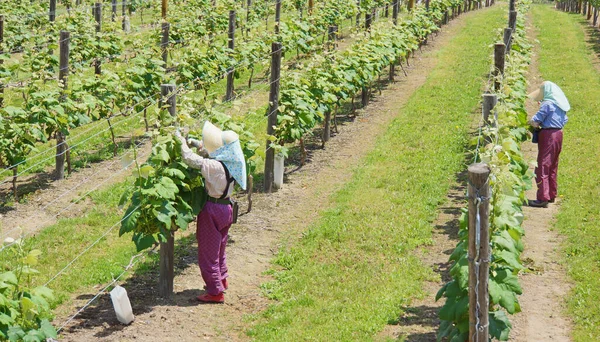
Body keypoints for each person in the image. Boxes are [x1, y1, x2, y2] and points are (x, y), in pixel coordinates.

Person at [174, 121, 247, 303]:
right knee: (220, 248)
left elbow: (190, 159)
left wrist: (180, 141)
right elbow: (208, 154)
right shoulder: (230, 165)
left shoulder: (214, 167)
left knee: (207, 253)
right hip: (226, 209)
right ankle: (222, 279)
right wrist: (196, 142)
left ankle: (215, 292)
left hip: (212, 210)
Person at [527, 81, 570, 208]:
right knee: (552, 165)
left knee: (542, 165)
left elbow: (535, 121)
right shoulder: (560, 104)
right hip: (558, 134)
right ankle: (551, 194)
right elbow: (565, 119)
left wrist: (528, 123)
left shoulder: (547, 104)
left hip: (548, 135)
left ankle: (542, 198)